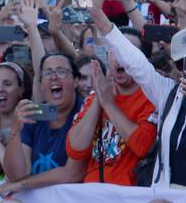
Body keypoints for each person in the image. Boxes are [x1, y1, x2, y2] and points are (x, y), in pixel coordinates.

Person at [91, 0, 186, 200]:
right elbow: (136, 63)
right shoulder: (168, 92)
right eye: (181, 61)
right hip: (166, 199)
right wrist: (101, 21)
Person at [63, 50, 157, 186]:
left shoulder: (151, 97)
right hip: (92, 193)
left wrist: (108, 104)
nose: (119, 60)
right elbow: (75, 149)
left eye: (124, 52)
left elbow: (142, 145)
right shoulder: (95, 97)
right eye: (114, 53)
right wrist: (99, 98)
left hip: (129, 194)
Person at [2, 52, 79, 191]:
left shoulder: (85, 112)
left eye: (61, 72)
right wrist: (15, 131)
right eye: (48, 73)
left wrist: (24, 184)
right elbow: (16, 175)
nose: (54, 77)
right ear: (41, 84)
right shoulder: (33, 115)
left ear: (76, 81)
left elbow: (72, 174)